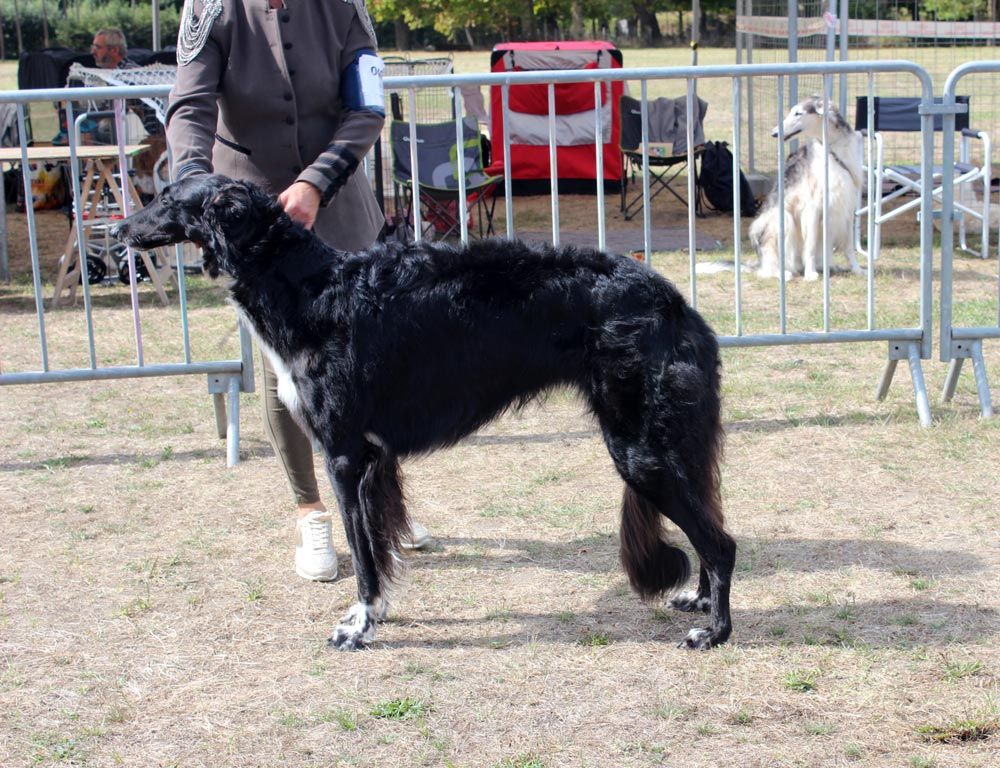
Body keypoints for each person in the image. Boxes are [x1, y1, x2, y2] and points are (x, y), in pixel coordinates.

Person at [166, 0, 433, 582]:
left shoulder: (344, 7)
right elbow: (190, 106)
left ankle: (384, 504)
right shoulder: (209, 8)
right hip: (252, 219)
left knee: (371, 364)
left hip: (337, 205)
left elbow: (365, 108)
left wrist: (316, 181)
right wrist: (192, 183)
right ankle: (311, 512)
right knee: (282, 372)